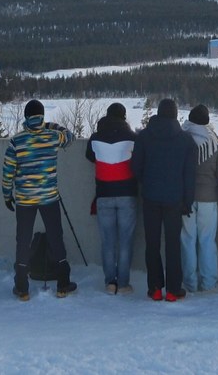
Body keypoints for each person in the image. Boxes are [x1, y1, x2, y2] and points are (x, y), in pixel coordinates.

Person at [1, 99, 76, 300]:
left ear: (25, 117)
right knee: (55, 237)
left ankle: (22, 287)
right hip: (49, 197)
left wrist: (7, 195)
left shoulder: (17, 140)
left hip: (25, 199)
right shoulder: (52, 137)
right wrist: (51, 125)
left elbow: (8, 170)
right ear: (42, 116)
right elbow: (70, 136)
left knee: (23, 241)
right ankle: (62, 284)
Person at [131, 98, 198, 300]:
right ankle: (173, 289)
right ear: (176, 115)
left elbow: (135, 168)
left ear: (158, 113)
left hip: (150, 197)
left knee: (152, 244)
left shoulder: (144, 137)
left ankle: (155, 288)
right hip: (175, 199)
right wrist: (187, 201)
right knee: (173, 244)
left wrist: (147, 182)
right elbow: (189, 175)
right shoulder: (186, 140)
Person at [86, 102, 138, 295]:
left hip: (104, 195)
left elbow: (90, 156)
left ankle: (110, 283)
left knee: (107, 241)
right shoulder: (133, 138)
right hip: (127, 194)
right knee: (125, 241)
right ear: (124, 117)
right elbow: (138, 160)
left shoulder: (95, 138)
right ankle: (123, 283)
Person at [181, 105, 218, 293]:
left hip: (186, 198)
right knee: (207, 240)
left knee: (187, 239)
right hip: (209, 198)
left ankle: (190, 282)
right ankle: (209, 283)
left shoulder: (183, 139)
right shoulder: (216, 142)